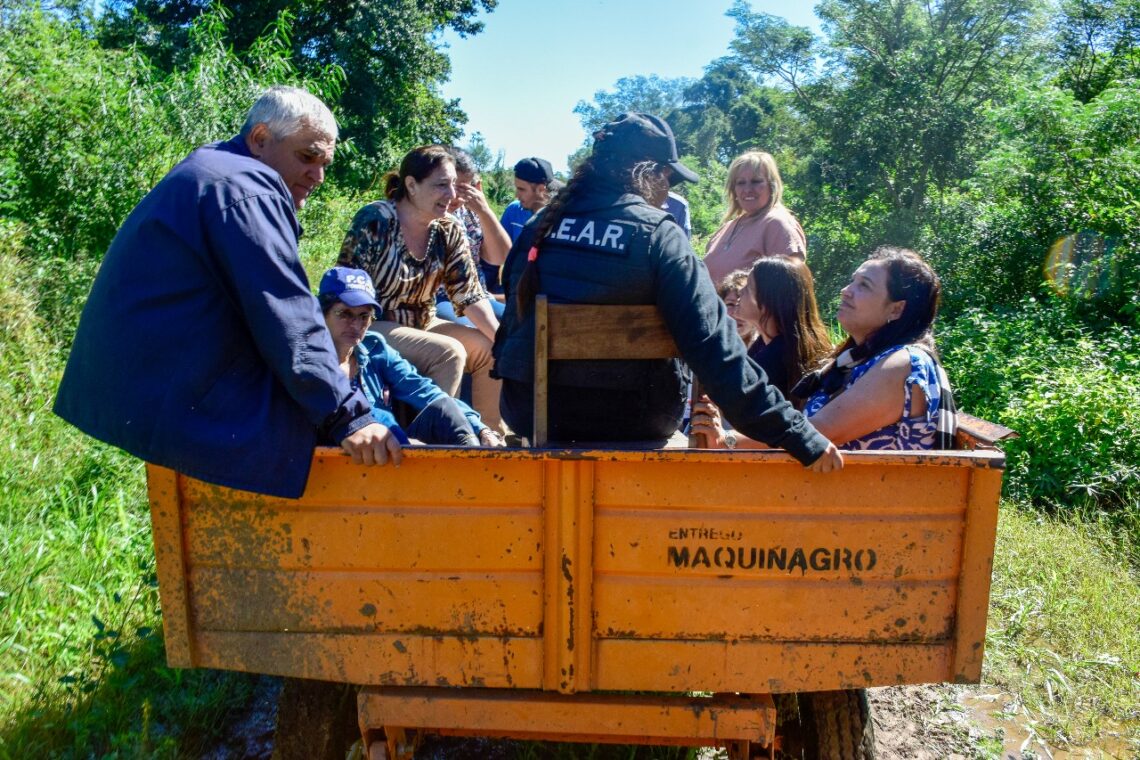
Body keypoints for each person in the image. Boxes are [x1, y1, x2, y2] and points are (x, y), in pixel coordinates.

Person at [53, 86, 400, 499]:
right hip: (172, 393)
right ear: (259, 139)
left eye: (324, 163)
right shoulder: (246, 188)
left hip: (144, 385)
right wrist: (351, 418)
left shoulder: (216, 168)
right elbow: (287, 315)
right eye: (307, 157)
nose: (318, 176)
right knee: (323, 436)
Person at [492, 111, 843, 473]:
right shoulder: (658, 235)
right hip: (632, 418)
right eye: (670, 178)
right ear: (650, 174)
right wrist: (799, 434)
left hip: (530, 411)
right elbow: (716, 350)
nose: (669, 191)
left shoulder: (539, 225)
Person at [694, 247, 956, 451]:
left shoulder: (903, 364)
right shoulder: (860, 359)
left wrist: (727, 440)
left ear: (896, 309)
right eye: (852, 281)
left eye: (864, 285)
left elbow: (817, 432)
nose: (846, 291)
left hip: (868, 510)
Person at [338, 145, 503, 431]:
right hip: (373, 323)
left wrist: (504, 341)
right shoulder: (376, 220)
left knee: (489, 348)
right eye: (442, 185)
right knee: (449, 352)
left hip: (423, 322)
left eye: (454, 184)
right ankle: (435, 440)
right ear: (411, 185)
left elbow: (469, 293)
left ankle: (491, 438)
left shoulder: (448, 228)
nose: (452, 195)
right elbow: (348, 289)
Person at [318, 267, 504, 447]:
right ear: (321, 313)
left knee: (446, 412)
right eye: (344, 314)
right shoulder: (306, 358)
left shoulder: (374, 348)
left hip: (384, 459)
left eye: (364, 316)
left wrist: (481, 430)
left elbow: (426, 391)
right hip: (326, 461)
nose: (356, 324)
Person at [734, 257, 832, 401]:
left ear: (768, 300)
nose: (740, 292)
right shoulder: (767, 346)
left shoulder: (773, 362)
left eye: (748, 287)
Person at [703, 150, 807, 285]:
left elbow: (791, 288)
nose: (747, 189)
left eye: (756, 181)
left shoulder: (778, 224)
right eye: (740, 182)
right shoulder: (727, 227)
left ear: (772, 185)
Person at [435, 147, 510, 324]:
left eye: (463, 189)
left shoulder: (469, 213)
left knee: (528, 324)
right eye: (450, 186)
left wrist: (484, 211)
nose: (454, 197)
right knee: (477, 332)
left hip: (478, 295)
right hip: (440, 297)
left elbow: (500, 257)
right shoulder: (430, 212)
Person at [499, 156, 556, 244]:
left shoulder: (559, 219)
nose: (516, 195)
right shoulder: (513, 210)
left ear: (540, 189)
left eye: (521, 189)